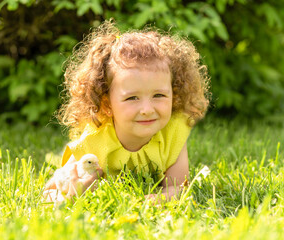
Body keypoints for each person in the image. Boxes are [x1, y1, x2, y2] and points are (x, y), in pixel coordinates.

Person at [43, 20, 210, 202]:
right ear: (107, 105)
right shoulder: (94, 143)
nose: (147, 109)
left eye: (159, 95)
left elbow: (178, 187)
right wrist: (73, 190)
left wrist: (154, 200)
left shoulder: (174, 133)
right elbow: (53, 188)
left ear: (174, 93)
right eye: (132, 98)